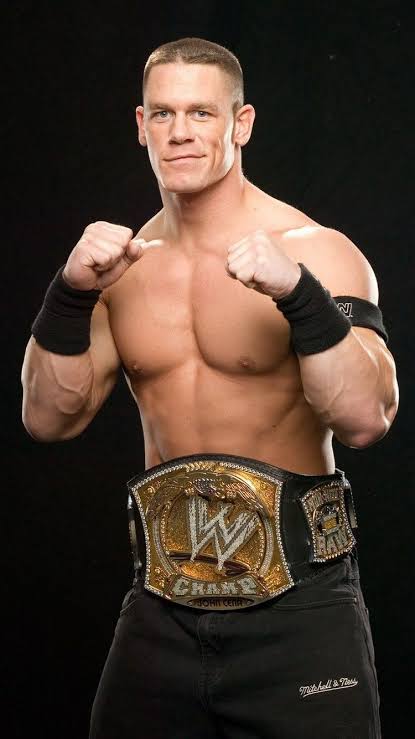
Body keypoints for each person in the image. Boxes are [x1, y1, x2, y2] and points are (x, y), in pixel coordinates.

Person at [21, 36, 398, 739]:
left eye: (201, 112)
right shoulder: (121, 269)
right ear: (141, 126)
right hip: (160, 608)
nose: (181, 132)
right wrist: (68, 295)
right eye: (163, 114)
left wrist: (300, 296)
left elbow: (365, 418)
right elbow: (48, 418)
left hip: (300, 610)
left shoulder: (317, 251)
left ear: (240, 123)